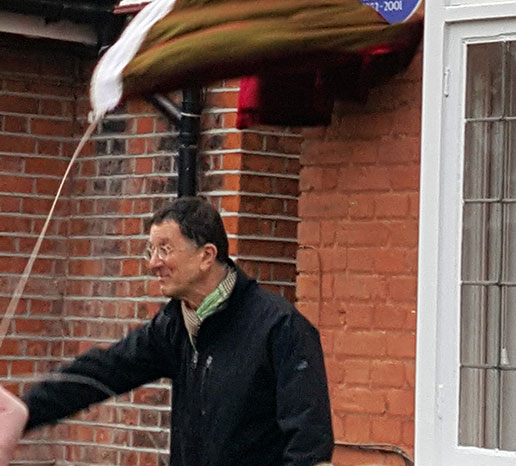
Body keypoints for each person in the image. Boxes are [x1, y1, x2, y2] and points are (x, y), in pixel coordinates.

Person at [0, 196, 334, 466]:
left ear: (206, 256)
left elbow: (308, 445)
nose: (152, 263)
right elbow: (104, 371)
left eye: (165, 248)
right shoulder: (173, 326)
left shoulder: (280, 327)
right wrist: (26, 410)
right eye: (151, 250)